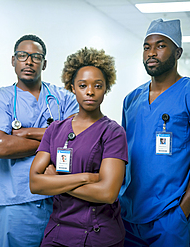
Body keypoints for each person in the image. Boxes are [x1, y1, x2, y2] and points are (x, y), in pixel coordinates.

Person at [118, 18, 190, 246]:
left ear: (177, 52)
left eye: (160, 46)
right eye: (146, 47)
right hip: (128, 214)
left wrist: (183, 210)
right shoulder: (131, 100)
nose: (151, 52)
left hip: (170, 218)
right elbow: (123, 154)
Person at [0, 34, 79, 247]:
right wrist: (54, 139)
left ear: (44, 64)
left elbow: (77, 139)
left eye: (36, 56)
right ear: (13, 61)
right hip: (16, 203)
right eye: (22, 55)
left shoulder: (64, 97)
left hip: (60, 201)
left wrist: (24, 133)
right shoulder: (0, 99)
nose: (29, 61)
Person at [30, 47, 128, 247]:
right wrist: (85, 177)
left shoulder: (113, 132)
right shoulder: (55, 129)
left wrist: (56, 181)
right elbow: (35, 184)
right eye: (83, 85)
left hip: (98, 234)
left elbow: (107, 193)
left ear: (106, 88)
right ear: (72, 87)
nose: (90, 91)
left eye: (98, 86)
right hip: (57, 232)